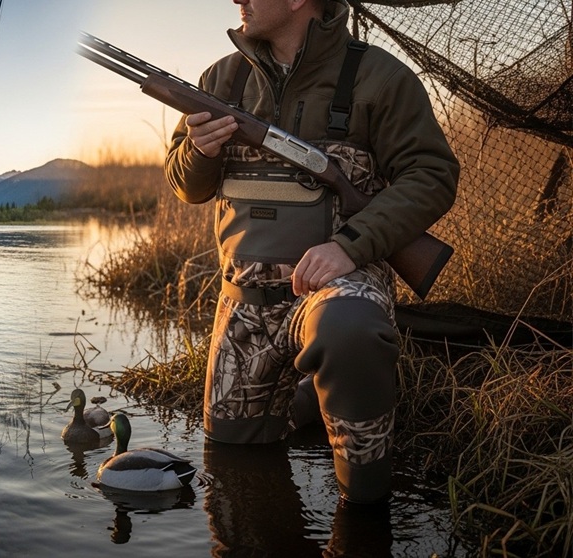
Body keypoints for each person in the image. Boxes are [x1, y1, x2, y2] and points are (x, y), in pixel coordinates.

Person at [164, 0, 458, 504]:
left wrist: (349, 246)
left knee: (349, 330)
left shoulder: (379, 77)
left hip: (336, 289)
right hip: (245, 303)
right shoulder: (221, 79)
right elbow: (186, 186)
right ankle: (313, 396)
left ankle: (364, 504)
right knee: (232, 464)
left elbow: (431, 175)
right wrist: (199, 150)